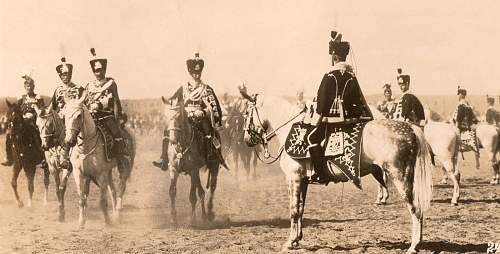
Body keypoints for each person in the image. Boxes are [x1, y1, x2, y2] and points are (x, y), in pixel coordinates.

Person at [308, 31, 373, 184]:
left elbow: (322, 103)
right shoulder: (351, 76)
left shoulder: (329, 76)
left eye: (332, 56)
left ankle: (320, 175)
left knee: (311, 139)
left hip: (333, 120)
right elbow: (359, 98)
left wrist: (315, 120)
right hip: (352, 119)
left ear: (335, 57)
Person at [153, 53, 226, 170]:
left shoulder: (206, 89)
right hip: (185, 116)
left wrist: (202, 112)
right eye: (194, 73)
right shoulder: (183, 88)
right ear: (190, 73)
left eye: (198, 73)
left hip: (200, 117)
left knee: (209, 133)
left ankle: (212, 157)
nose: (196, 75)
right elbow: (174, 100)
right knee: (167, 131)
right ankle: (164, 158)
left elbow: (213, 106)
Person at [84, 48, 131, 168]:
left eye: (100, 70)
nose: (98, 73)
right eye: (95, 71)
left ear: (104, 70)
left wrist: (100, 105)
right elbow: (85, 100)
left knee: (116, 134)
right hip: (92, 116)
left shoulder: (110, 84)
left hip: (106, 115)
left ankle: (120, 160)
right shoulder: (89, 85)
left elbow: (114, 99)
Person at [2, 73, 46, 166]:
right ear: (24, 87)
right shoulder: (21, 98)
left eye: (30, 86)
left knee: (37, 134)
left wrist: (33, 115)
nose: (28, 88)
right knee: (9, 135)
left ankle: (43, 157)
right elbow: (17, 108)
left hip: (34, 122)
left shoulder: (38, 98)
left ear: (33, 86)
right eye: (26, 86)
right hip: (22, 122)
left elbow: (42, 109)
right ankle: (9, 158)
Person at [50, 57, 85, 170]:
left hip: (73, 119)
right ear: (60, 76)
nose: (65, 77)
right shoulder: (58, 90)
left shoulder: (78, 89)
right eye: (63, 75)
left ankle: (67, 159)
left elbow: (83, 105)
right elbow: (53, 107)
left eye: (67, 74)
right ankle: (48, 158)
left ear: (70, 75)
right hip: (60, 119)